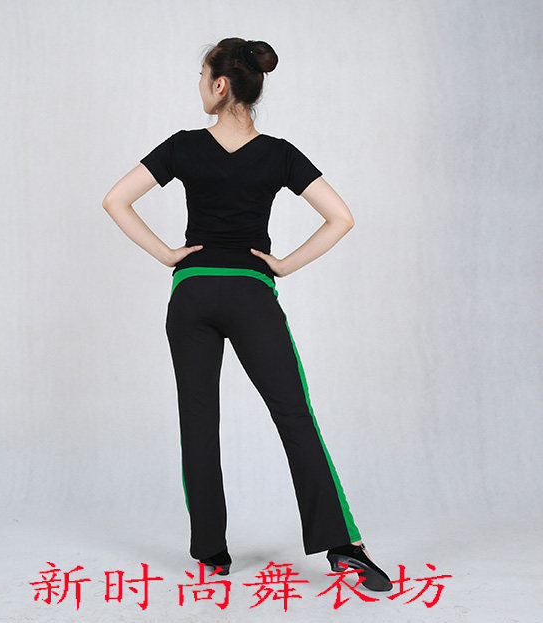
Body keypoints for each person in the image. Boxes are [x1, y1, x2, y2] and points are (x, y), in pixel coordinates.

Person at [102, 38, 392, 592]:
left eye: (202, 76)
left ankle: (212, 553)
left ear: (219, 84)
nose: (199, 86)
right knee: (294, 414)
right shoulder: (279, 154)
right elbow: (341, 217)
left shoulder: (183, 146)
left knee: (198, 419)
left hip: (191, 294)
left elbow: (116, 199)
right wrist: (281, 265)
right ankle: (342, 546)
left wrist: (168, 254)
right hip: (251, 294)